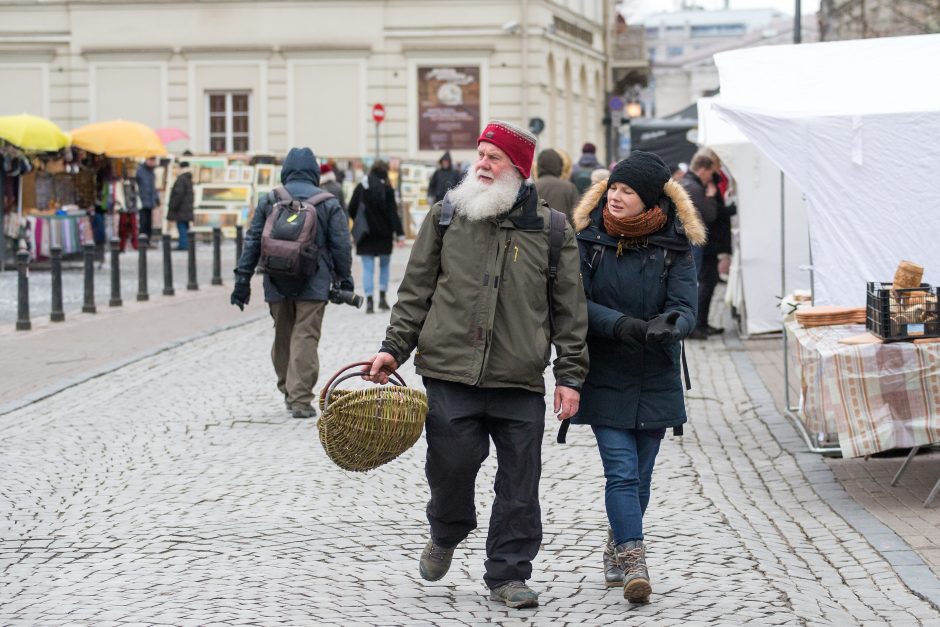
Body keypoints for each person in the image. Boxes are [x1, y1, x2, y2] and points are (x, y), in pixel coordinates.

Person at [364, 120, 589, 609]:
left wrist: (570, 375)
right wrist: (393, 347)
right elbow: (416, 290)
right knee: (450, 469)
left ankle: (508, 574)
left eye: (495, 158)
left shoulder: (551, 229)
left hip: (519, 378)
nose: (483, 165)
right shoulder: (447, 216)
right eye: (481, 155)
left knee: (520, 485)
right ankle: (446, 530)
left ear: (518, 171)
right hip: (450, 373)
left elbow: (571, 311)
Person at [567, 151, 704, 604]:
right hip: (605, 368)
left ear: (649, 200)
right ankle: (633, 559)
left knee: (642, 476)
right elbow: (574, 304)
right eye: (614, 188)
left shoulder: (675, 245)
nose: (616, 197)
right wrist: (620, 324)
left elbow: (686, 307)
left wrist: (673, 326)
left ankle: (616, 543)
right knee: (622, 473)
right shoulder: (588, 240)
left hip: (656, 371)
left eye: (627, 191)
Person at [230, 147, 353, 419]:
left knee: (282, 334)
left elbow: (252, 241)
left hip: (276, 278)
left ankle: (288, 388)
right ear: (314, 172)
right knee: (305, 335)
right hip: (314, 280)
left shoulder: (270, 199)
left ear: (285, 171)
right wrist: (344, 278)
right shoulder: (328, 202)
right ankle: (299, 397)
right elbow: (341, 245)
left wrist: (242, 280)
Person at [347, 160, 405, 314]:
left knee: (368, 267)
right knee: (384, 266)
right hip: (384, 234)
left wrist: (360, 218)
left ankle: (370, 301)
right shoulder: (387, 189)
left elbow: (351, 208)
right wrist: (399, 234)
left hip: (365, 233)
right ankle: (383, 298)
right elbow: (393, 213)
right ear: (385, 172)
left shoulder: (361, 187)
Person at [680, 149, 724, 339]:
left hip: (695, 242)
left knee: (703, 282)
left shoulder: (687, 184)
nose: (712, 178)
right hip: (695, 242)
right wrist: (713, 196)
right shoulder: (694, 187)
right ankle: (695, 325)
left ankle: (700, 324)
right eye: (712, 173)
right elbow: (710, 215)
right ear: (703, 170)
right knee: (699, 283)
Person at [534, 148, 580, 221]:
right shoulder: (569, 187)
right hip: (563, 230)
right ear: (559, 165)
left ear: (539, 166)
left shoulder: (532, 187)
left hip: (538, 230)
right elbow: (577, 216)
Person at [166, 161, 194, 250]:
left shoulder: (181, 179)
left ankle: (183, 245)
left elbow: (178, 194)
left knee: (181, 226)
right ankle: (185, 244)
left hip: (181, 208)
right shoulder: (188, 178)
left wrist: (173, 206)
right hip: (186, 208)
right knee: (185, 226)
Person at [136, 156, 159, 244]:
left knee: (149, 222)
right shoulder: (140, 170)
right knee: (143, 222)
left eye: (154, 160)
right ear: (147, 160)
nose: (153, 162)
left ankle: (148, 240)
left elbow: (153, 187)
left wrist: (156, 198)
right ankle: (142, 241)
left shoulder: (152, 172)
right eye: (151, 160)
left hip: (150, 201)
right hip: (142, 200)